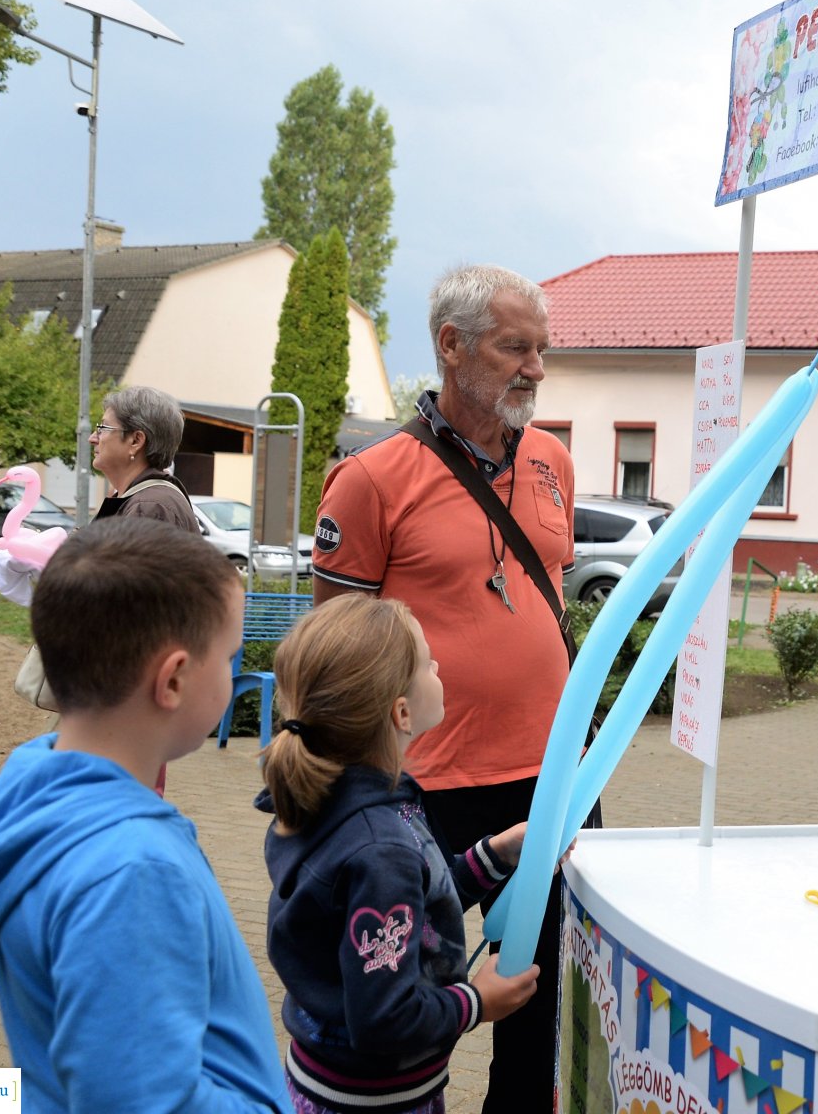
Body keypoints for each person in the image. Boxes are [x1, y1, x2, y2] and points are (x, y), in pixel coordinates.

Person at [0, 519, 288, 1113]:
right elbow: (137, 1102)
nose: (232, 676)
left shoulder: (40, 783)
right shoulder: (132, 872)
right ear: (175, 678)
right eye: (229, 658)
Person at [310, 264, 577, 1111]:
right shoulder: (372, 478)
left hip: (551, 783)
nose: (534, 367)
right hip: (425, 790)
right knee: (406, 998)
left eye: (542, 349)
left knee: (542, 1006)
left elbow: (550, 595)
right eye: (514, 347)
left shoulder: (552, 462)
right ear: (450, 347)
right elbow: (334, 653)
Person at [260, 594, 542, 1114]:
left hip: (330, 1080)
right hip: (374, 1101)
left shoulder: (342, 802)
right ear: (402, 712)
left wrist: (497, 854)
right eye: (427, 661)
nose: (439, 667)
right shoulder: (377, 845)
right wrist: (477, 1002)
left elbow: (414, 913)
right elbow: (384, 1019)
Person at [91, 384, 200, 528]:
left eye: (103, 428)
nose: (92, 438)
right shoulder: (147, 502)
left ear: (136, 441)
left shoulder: (149, 509)